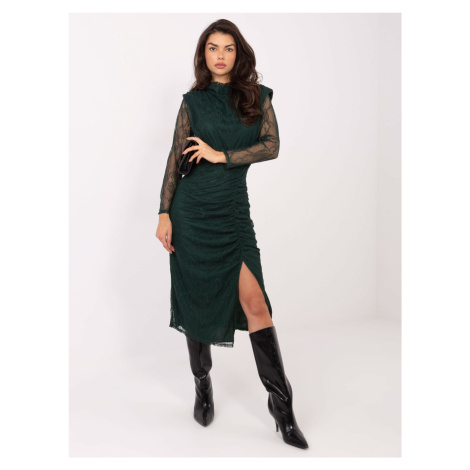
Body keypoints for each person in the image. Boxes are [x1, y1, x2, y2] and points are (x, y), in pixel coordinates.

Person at [155, 19, 309, 450]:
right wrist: (164, 211)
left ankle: (283, 410)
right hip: (191, 212)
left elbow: (271, 145)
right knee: (197, 298)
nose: (220, 55)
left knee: (256, 302)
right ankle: (202, 384)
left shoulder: (257, 97)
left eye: (227, 48)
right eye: (212, 48)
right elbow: (174, 157)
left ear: (238, 53)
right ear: (203, 55)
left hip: (232, 213)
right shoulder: (193, 102)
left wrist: (221, 154)